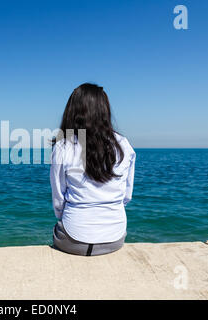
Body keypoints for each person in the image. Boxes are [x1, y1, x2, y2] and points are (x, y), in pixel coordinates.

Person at [50, 83, 136, 256]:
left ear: (73, 111)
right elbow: (126, 196)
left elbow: (59, 200)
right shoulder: (124, 145)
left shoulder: (63, 146)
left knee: (59, 229)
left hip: (73, 240)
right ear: (105, 110)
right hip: (115, 238)